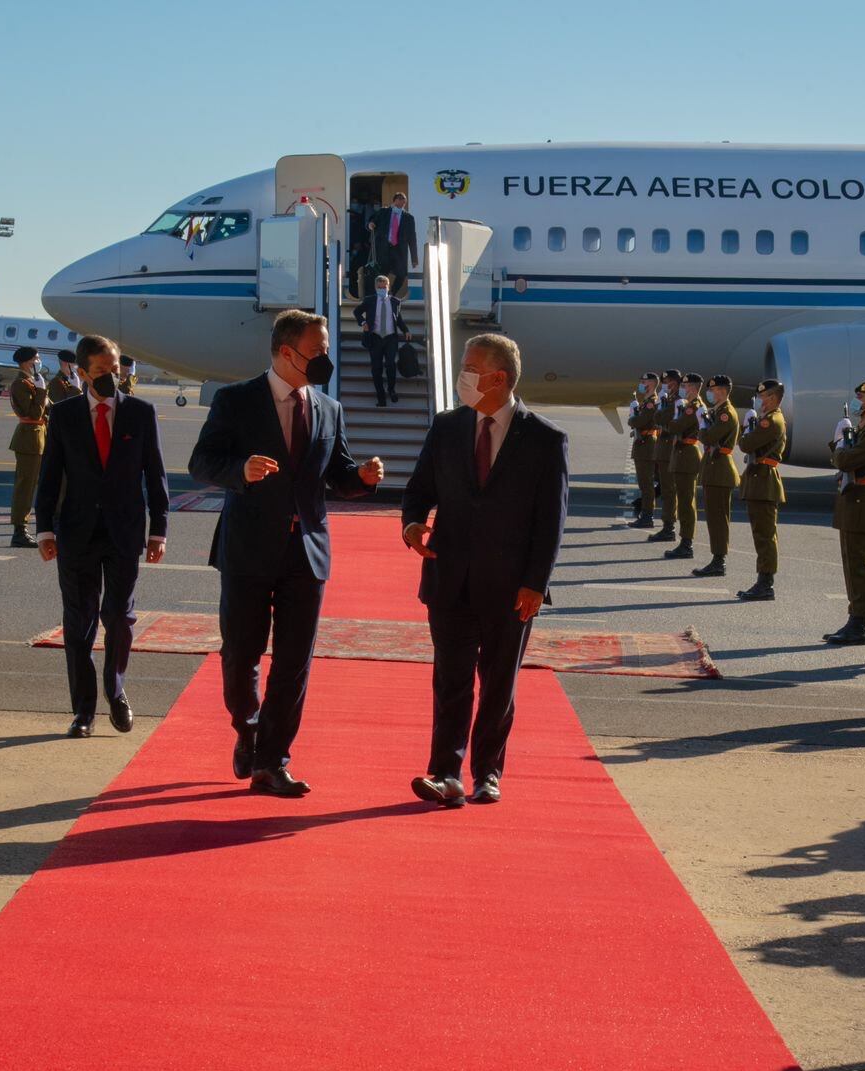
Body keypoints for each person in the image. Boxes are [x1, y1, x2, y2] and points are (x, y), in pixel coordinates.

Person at [188, 310, 383, 797]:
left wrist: (360, 479)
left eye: (326, 349)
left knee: (294, 661)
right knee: (242, 654)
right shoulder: (236, 400)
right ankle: (247, 727)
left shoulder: (328, 408)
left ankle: (273, 761)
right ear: (285, 352)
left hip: (307, 551)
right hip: (248, 549)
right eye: (317, 351)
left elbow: (335, 474)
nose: (325, 358)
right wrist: (241, 470)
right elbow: (201, 462)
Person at [402, 333, 569, 807]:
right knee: (450, 682)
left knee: (498, 684)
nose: (462, 376)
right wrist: (413, 524)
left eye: (471, 368)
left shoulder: (544, 439)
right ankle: (446, 774)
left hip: (511, 587)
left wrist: (536, 582)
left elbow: (550, 520)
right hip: (448, 578)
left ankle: (488, 773)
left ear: (499, 377)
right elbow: (418, 491)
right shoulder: (447, 427)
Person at [36, 335, 169, 738]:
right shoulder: (64, 414)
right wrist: (44, 528)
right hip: (76, 534)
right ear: (81, 373)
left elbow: (156, 475)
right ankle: (83, 711)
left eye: (115, 370)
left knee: (120, 618)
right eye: (101, 372)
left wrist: (158, 529)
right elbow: (50, 476)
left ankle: (116, 691)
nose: (111, 377)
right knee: (78, 625)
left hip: (124, 532)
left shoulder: (141, 413)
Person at [823, 381, 865, 645]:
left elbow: (845, 461)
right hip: (853, 502)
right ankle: (854, 618)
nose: (856, 400)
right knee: (851, 564)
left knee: (860, 566)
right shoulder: (863, 429)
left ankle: (860, 624)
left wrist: (840, 444)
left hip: (863, 503)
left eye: (861, 397)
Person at [736, 378, 787, 601]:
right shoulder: (766, 419)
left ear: (773, 398)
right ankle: (762, 580)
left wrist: (747, 428)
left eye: (763, 396)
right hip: (759, 479)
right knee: (761, 533)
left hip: (764, 481)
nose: (760, 400)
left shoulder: (772, 421)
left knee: (765, 535)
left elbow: (746, 444)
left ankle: (766, 583)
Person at [693, 374, 739, 577]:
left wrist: (702, 428)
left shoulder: (725, 414)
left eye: (713, 390)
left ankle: (719, 561)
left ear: (722, 391)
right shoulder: (718, 411)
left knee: (718, 518)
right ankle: (716, 558)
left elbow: (709, 436)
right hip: (714, 468)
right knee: (713, 517)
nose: (710, 393)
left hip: (721, 470)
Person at [8, 346, 49, 548]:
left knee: (37, 485)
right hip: (28, 440)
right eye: (36, 359)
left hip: (39, 439)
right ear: (26, 362)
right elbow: (33, 414)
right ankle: (19, 530)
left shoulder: (31, 382)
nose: (38, 362)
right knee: (25, 486)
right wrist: (41, 391)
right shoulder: (19, 384)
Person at [663, 373, 705, 560]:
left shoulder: (694, 407)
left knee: (687, 503)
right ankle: (684, 541)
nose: (684, 390)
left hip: (688, 456)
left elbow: (674, 427)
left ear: (694, 388)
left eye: (686, 387)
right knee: (684, 501)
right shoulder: (689, 406)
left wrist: (674, 420)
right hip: (683, 455)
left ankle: (687, 543)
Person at [352, 274, 412, 406]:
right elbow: (356, 312)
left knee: (390, 365)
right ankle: (381, 397)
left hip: (390, 338)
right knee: (376, 368)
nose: (382, 289)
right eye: (379, 287)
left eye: (384, 287)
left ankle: (391, 389)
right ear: (375, 287)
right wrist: (363, 323)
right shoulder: (369, 300)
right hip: (375, 338)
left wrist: (406, 330)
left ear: (388, 287)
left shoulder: (395, 302)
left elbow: (398, 319)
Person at [647, 370, 682, 543]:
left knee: (669, 491)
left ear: (676, 382)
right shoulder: (668, 399)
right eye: (665, 381)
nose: (666, 384)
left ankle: (669, 528)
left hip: (670, 450)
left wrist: (660, 412)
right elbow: (658, 418)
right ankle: (667, 525)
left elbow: (661, 417)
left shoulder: (676, 401)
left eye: (669, 381)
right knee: (666, 490)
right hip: (663, 448)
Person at [368, 192, 419, 298]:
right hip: (384, 250)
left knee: (402, 274)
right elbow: (372, 221)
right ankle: (378, 295)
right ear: (394, 200)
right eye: (400, 199)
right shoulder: (384, 212)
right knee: (381, 275)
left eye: (404, 199)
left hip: (399, 250)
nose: (402, 201)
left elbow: (412, 239)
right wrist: (370, 224)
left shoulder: (409, 218)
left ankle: (392, 293)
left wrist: (414, 258)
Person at [627, 373, 660, 529]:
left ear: (652, 384)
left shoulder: (651, 403)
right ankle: (646, 515)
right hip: (643, 444)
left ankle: (647, 516)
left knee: (646, 484)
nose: (641, 384)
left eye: (644, 381)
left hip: (646, 445)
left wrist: (632, 418)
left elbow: (640, 421)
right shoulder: (646, 402)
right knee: (644, 483)